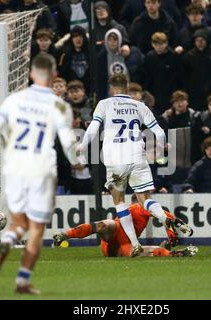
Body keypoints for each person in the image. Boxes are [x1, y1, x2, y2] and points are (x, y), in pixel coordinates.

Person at [0, 53, 82, 295]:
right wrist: (76, 161)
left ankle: (6, 242)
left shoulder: (14, 99)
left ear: (31, 74)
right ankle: (22, 280)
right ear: (54, 76)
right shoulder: (59, 105)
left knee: (19, 222)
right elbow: (68, 143)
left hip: (15, 165)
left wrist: (8, 146)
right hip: (41, 167)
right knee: (36, 228)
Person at [78, 74, 193, 257]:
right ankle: (165, 218)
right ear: (127, 86)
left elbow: (93, 128)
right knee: (144, 199)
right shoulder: (140, 106)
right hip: (138, 156)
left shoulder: (104, 104)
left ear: (111, 88)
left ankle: (134, 243)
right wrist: (162, 147)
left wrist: (82, 146)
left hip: (116, 158)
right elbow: (159, 132)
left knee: (120, 201)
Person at [52, 197, 197, 257]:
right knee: (107, 224)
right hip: (114, 235)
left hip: (121, 246)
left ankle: (171, 253)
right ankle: (64, 235)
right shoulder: (139, 207)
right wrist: (173, 234)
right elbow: (167, 218)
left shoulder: (145, 209)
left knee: (140, 252)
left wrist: (171, 235)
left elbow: (167, 218)